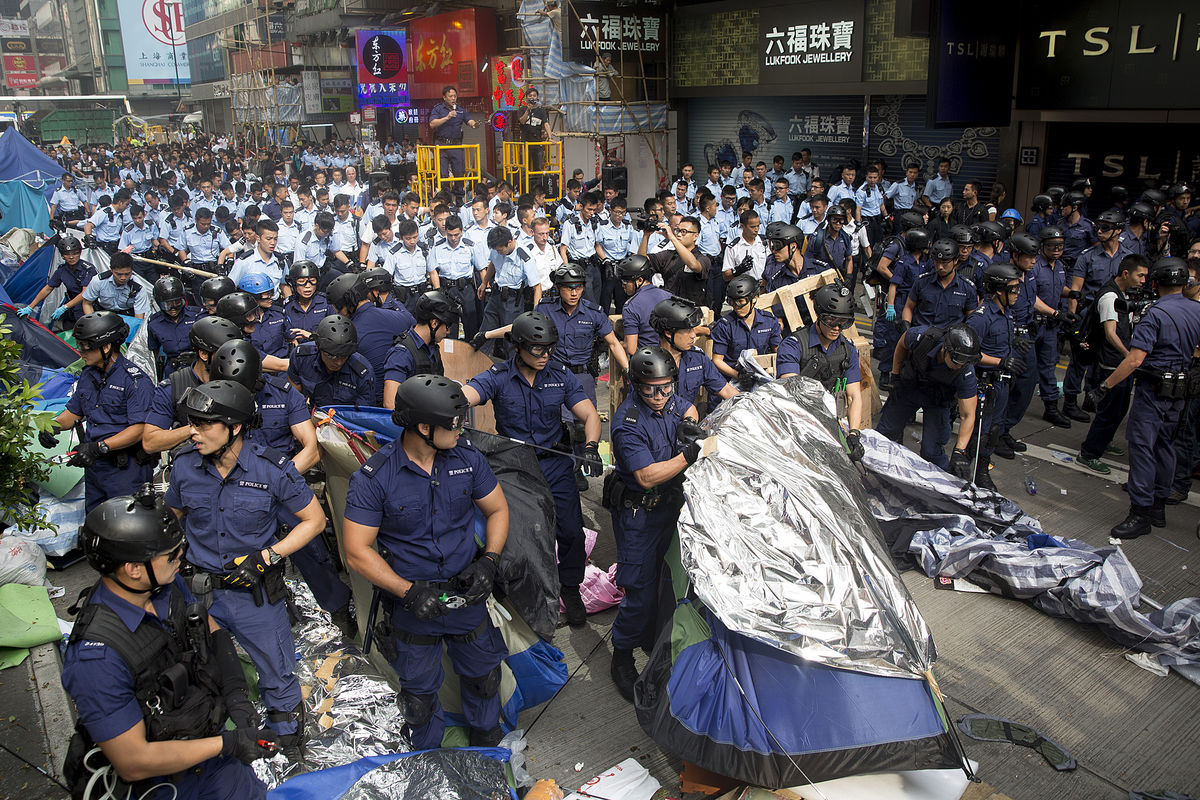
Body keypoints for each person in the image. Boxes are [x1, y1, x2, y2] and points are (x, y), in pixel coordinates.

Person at [61, 490, 275, 800]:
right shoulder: (97, 658)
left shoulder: (163, 586)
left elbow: (211, 629)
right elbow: (133, 762)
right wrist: (228, 744)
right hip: (163, 786)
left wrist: (237, 697)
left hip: (213, 760)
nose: (181, 559)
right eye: (172, 555)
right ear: (133, 568)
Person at [343, 374, 509, 748]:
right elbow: (357, 550)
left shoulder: (468, 459)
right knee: (418, 699)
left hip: (466, 595)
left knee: (484, 678)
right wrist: (408, 592)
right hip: (412, 605)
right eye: (454, 423)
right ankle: (426, 756)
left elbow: (497, 509)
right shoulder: (375, 478)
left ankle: (486, 740)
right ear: (423, 426)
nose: (462, 427)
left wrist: (489, 561)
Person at [165, 379, 326, 752]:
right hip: (200, 596)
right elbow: (169, 522)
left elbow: (314, 521)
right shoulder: (185, 468)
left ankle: (284, 739)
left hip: (254, 595)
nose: (193, 432)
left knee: (277, 675)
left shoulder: (272, 469)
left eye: (203, 424)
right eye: (192, 423)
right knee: (197, 673)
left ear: (234, 427)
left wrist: (268, 556)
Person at [462, 312, 603, 626]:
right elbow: (467, 395)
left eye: (549, 348)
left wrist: (591, 447)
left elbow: (590, 415)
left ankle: (570, 587)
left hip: (554, 462)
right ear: (518, 347)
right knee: (520, 532)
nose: (545, 355)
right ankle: (524, 587)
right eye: (537, 349)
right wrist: (447, 402)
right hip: (514, 466)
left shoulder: (560, 375)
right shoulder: (498, 376)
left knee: (570, 530)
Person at [606, 345, 701, 699]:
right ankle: (621, 655)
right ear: (636, 385)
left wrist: (690, 423)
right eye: (651, 389)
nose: (660, 396)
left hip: (671, 509)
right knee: (640, 592)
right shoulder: (627, 422)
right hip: (640, 515)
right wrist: (690, 454)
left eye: (666, 387)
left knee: (671, 581)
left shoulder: (672, 400)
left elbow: (687, 406)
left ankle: (650, 637)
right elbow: (646, 475)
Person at [1088, 258, 1200, 538]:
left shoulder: (1156, 313)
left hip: (1153, 389)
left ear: (1155, 282)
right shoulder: (1196, 310)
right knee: (1165, 446)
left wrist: (1105, 386)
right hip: (1180, 390)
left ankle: (1140, 512)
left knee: (1142, 449)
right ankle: (1158, 506)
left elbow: (1135, 359)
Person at [40, 312, 153, 511]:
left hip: (124, 470)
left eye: (85, 347)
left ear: (106, 347)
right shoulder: (87, 375)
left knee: (125, 527)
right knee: (95, 522)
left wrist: (100, 447)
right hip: (94, 467)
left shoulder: (135, 381)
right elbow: (74, 411)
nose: (80, 351)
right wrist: (51, 427)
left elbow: (140, 429)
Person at [1077, 254, 1150, 474]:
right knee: (1109, 411)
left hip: (1120, 363)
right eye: (1140, 275)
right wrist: (1129, 355)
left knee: (1118, 411)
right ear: (1126, 273)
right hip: (1111, 364)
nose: (1143, 281)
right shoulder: (1110, 297)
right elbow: (1110, 333)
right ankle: (1089, 453)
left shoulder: (1123, 294)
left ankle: (1104, 441)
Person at [776, 282, 865, 458]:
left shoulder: (848, 350)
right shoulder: (794, 346)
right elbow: (790, 393)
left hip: (831, 420)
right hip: (797, 420)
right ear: (819, 316)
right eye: (831, 321)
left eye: (843, 323)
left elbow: (854, 396)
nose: (837, 328)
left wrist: (854, 434)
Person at [876, 323, 981, 472]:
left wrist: (959, 451)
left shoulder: (965, 372)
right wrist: (896, 375)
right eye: (957, 361)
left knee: (932, 452)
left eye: (964, 362)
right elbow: (901, 344)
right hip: (911, 388)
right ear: (945, 348)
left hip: (937, 399)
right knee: (884, 435)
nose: (960, 366)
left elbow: (968, 415)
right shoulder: (923, 337)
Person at [965, 264, 1028, 492]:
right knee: (980, 431)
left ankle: (983, 468)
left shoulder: (1006, 313)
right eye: (1012, 289)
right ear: (999, 290)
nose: (1017, 294)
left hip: (1001, 383)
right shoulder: (981, 317)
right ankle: (968, 472)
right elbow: (968, 352)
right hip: (985, 383)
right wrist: (999, 362)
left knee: (993, 431)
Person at [142, 316, 243, 457]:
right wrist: (197, 427)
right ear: (203, 354)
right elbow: (150, 442)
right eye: (224, 354)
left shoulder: (240, 381)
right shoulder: (174, 387)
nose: (233, 360)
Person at [326, 272, 415, 405]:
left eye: (338, 308)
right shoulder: (401, 317)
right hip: (404, 396)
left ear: (348, 303)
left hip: (369, 403)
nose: (338, 313)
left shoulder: (349, 333)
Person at [1031, 227, 1081, 427]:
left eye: (1060, 245)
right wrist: (1054, 313)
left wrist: (1072, 294)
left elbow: (1057, 289)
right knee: (1025, 367)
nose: (1056, 249)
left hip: (1052, 326)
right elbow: (1031, 296)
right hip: (1035, 323)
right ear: (1042, 245)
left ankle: (1051, 407)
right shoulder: (1035, 266)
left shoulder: (1060, 266)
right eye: (1052, 245)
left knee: (1049, 366)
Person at [650, 297, 737, 409]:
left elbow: (726, 390)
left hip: (690, 421)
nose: (693, 335)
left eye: (693, 329)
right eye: (687, 330)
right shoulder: (647, 362)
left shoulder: (698, 358)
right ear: (668, 333)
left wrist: (751, 406)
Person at [382, 291, 460, 407]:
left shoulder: (431, 347)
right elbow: (389, 403)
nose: (448, 332)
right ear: (434, 323)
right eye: (447, 326)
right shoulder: (401, 354)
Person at [473, 227, 541, 355]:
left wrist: (536, 312)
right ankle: (478, 366)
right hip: (495, 295)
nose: (498, 253)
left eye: (500, 250)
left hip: (512, 301)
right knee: (484, 333)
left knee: (510, 339)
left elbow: (537, 286)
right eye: (496, 250)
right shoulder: (496, 248)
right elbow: (493, 264)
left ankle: (513, 370)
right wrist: (484, 283)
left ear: (509, 242)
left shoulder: (524, 257)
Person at [710, 274, 782, 388]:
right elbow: (717, 360)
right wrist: (738, 375)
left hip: (761, 378)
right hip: (731, 380)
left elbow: (779, 352)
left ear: (754, 298)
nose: (736, 307)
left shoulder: (769, 321)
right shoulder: (725, 326)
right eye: (732, 302)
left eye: (741, 302)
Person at [288, 314, 374, 408]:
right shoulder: (301, 358)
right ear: (318, 347)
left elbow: (363, 415)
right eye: (331, 356)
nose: (339, 362)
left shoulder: (362, 372)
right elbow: (295, 401)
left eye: (344, 356)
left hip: (346, 420)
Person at [900, 238, 977, 330]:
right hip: (920, 336)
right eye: (937, 262)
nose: (940, 267)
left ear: (955, 261)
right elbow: (909, 307)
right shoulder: (921, 282)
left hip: (949, 339)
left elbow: (972, 319)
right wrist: (906, 326)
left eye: (945, 263)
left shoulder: (967, 288)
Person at [20, 236, 97, 326]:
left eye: (75, 253)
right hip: (71, 307)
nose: (71, 257)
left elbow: (85, 293)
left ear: (80, 253)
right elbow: (48, 288)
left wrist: (65, 307)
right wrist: (30, 307)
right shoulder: (62, 270)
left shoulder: (88, 269)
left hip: (86, 305)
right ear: (62, 255)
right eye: (67, 254)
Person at [638, 215, 711, 307]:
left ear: (695, 236)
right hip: (669, 308)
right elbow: (641, 262)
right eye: (678, 231)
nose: (679, 234)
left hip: (690, 311)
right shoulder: (668, 255)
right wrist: (646, 236)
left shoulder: (703, 259)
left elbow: (693, 265)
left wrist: (672, 238)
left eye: (684, 232)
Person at [147, 275, 203, 377]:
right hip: (173, 370)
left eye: (177, 303)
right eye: (167, 305)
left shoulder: (196, 316)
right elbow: (154, 353)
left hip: (197, 366)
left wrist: (196, 357)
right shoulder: (154, 324)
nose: (173, 308)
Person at [429, 86, 480, 192]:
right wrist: (447, 117)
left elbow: (469, 120)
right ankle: (446, 195)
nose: (453, 99)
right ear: (444, 97)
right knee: (443, 173)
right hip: (441, 145)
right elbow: (432, 124)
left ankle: (459, 195)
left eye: (455, 96)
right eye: (450, 96)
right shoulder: (438, 109)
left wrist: (474, 124)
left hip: (456, 145)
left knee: (459, 171)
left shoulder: (461, 110)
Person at [558, 191, 603, 305]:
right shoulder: (571, 224)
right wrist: (566, 268)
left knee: (597, 298)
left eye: (594, 210)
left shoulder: (595, 223)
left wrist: (606, 260)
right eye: (589, 209)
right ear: (581, 207)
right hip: (579, 267)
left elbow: (597, 245)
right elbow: (563, 248)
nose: (591, 213)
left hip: (593, 266)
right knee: (588, 300)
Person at [281, 260, 330, 345]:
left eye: (312, 280)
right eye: (301, 281)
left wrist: (312, 336)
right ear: (293, 284)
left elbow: (335, 335)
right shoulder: (287, 306)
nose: (308, 286)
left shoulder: (326, 302)